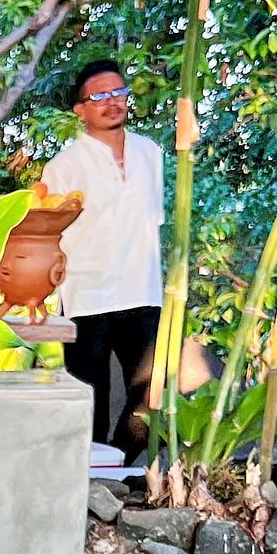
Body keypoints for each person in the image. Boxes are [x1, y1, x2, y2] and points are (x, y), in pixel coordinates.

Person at [44, 57, 165, 461]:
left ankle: (115, 465)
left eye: (118, 92)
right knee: (88, 402)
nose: (112, 102)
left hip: (142, 291)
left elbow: (154, 219)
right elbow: (47, 230)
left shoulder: (151, 153)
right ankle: (88, 485)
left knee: (152, 401)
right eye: (99, 96)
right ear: (81, 110)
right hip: (86, 296)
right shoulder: (62, 167)